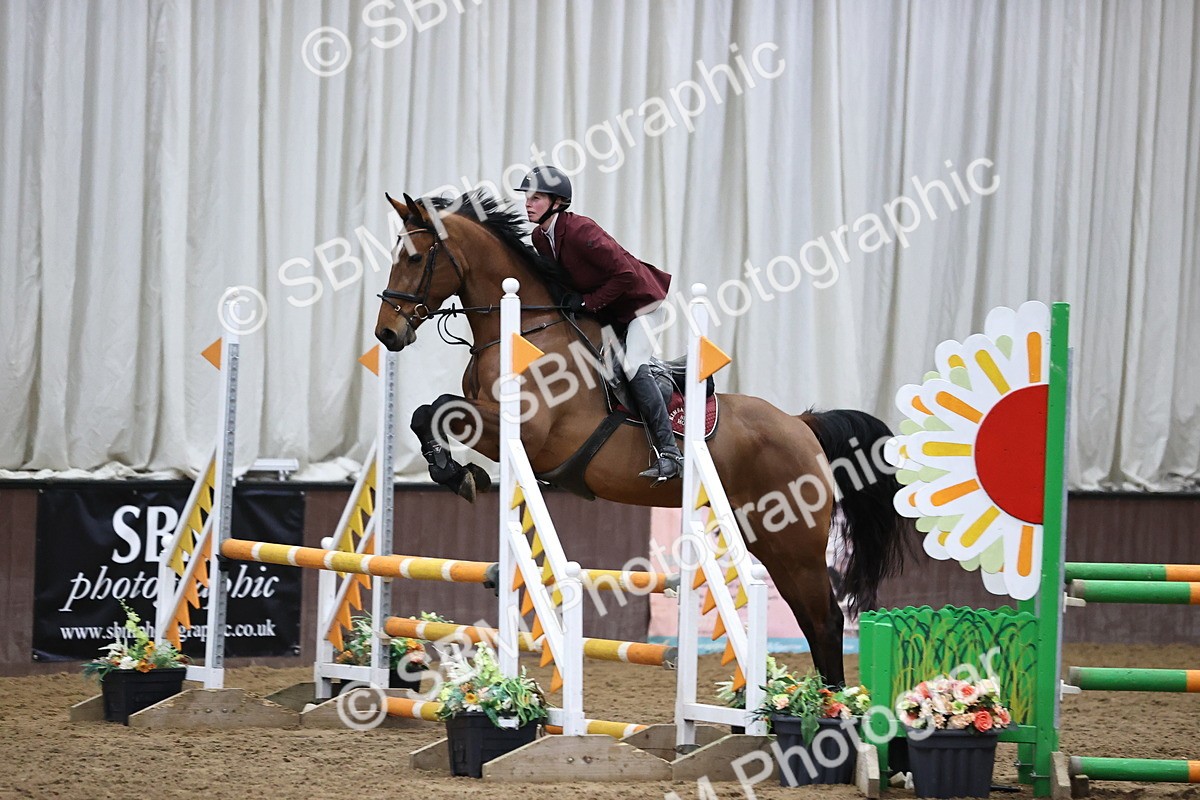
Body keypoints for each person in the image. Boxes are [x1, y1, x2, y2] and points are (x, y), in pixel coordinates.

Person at [516, 166, 682, 484]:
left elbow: (626, 275)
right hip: (612, 312)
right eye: (527, 197)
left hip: (643, 305)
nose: (527, 203)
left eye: (535, 197)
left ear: (557, 202)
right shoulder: (540, 237)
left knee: (632, 366)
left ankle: (670, 453)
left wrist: (588, 303)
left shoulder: (581, 230)